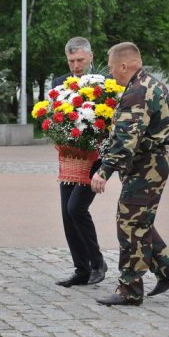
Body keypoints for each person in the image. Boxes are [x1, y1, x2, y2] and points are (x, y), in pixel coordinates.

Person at [91, 42, 169, 307]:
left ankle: (130, 289)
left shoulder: (138, 91)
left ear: (123, 65)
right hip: (151, 163)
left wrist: (104, 171)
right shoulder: (152, 84)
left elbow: (126, 138)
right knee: (138, 220)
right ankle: (168, 268)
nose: (110, 74)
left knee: (130, 225)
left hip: (147, 165)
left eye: (111, 68)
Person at [52, 37, 108, 288]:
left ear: (91, 57)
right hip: (70, 157)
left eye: (80, 60)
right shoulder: (59, 84)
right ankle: (81, 269)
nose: (76, 65)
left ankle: (98, 263)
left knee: (76, 208)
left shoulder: (105, 86)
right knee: (66, 213)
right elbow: (54, 117)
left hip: (95, 158)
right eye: (72, 61)